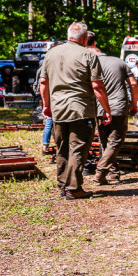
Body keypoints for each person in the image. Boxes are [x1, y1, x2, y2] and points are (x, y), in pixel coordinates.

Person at [39, 22, 112, 200]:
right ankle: (73, 188)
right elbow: (97, 86)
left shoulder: (51, 53)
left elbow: (43, 83)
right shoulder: (88, 54)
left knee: (62, 147)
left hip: (58, 109)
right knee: (78, 147)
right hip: (80, 110)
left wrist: (46, 105)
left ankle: (63, 184)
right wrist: (107, 110)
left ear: (68, 35)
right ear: (85, 38)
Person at [87, 31, 138, 185]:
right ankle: (101, 172)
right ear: (97, 45)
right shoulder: (119, 62)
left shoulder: (88, 63)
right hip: (118, 106)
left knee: (105, 143)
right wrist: (134, 103)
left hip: (98, 107)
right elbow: (134, 84)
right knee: (115, 142)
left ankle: (113, 175)